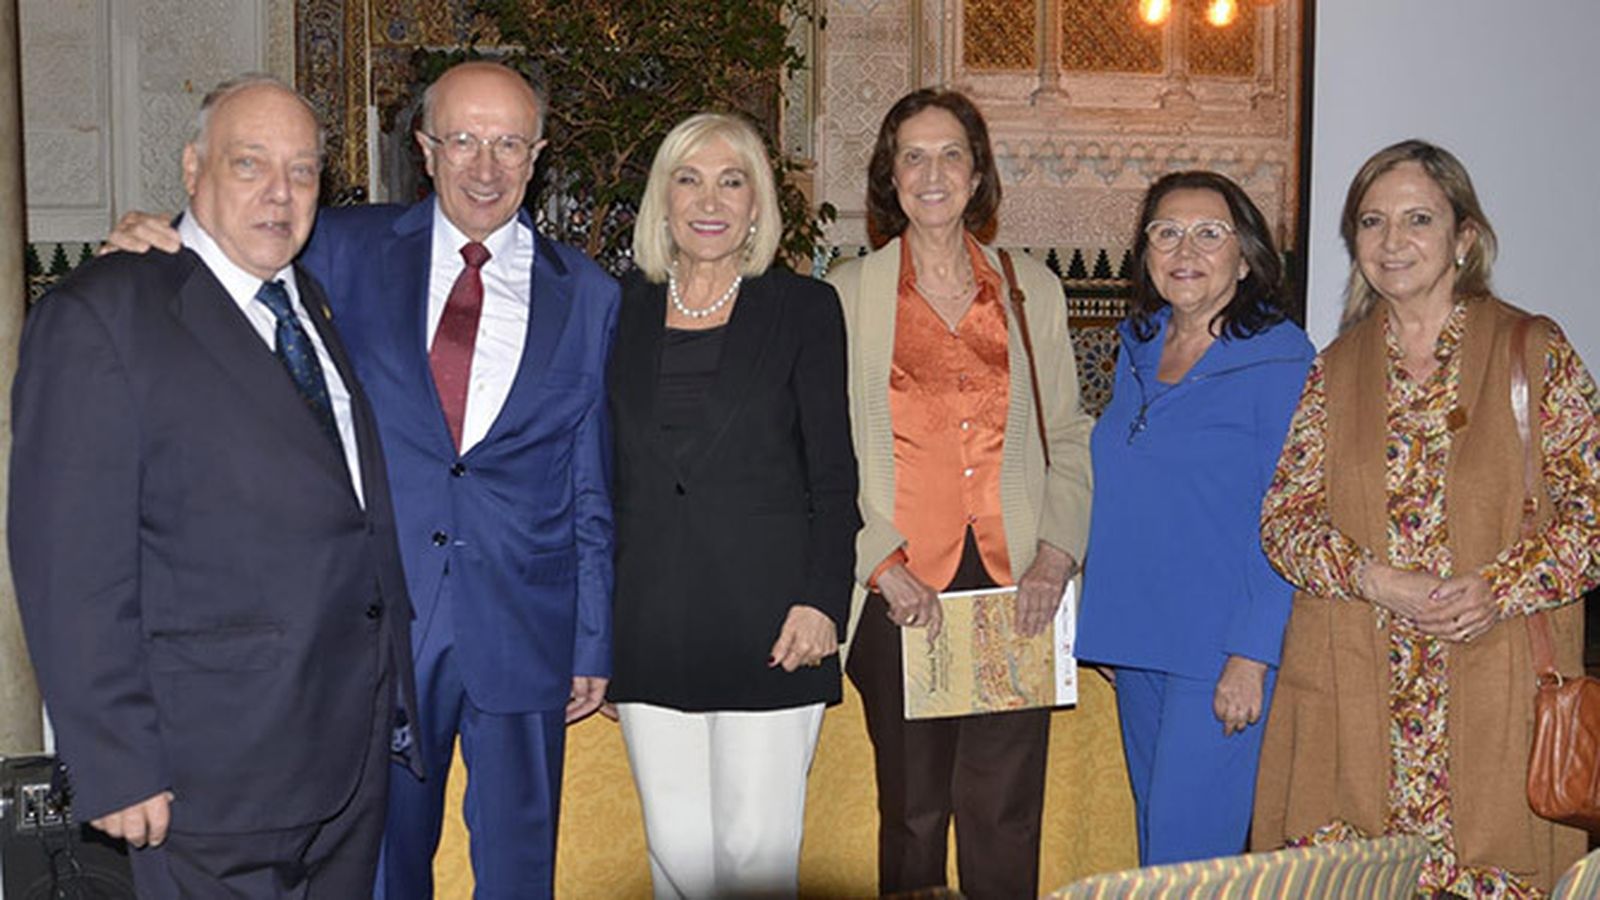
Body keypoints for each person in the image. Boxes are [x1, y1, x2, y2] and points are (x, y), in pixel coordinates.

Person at [105, 61, 619, 900]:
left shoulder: (590, 293)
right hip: (382, 625)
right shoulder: (342, 248)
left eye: (508, 144)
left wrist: (592, 636)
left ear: (537, 155)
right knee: (383, 868)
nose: (485, 167)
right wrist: (153, 239)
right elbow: (233, 254)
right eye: (462, 140)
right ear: (424, 149)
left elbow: (589, 480)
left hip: (527, 625)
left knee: (524, 870)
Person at [10, 75, 419, 898]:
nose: (281, 191)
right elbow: (67, 562)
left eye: (303, 171)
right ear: (192, 169)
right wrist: (113, 762)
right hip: (207, 777)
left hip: (345, 763)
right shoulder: (105, 314)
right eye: (249, 164)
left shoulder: (310, 303)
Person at [1254, 139, 1600, 896]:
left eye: (1418, 219)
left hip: (1497, 690)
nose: (1392, 241)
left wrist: (1497, 588)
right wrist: (1375, 580)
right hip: (1355, 703)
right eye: (1373, 223)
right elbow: (1284, 522)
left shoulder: (1532, 351)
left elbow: (1592, 514)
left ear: (1464, 238)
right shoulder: (1335, 367)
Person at [826, 88, 1093, 899]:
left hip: (1018, 585)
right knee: (912, 814)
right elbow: (824, 455)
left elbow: (1070, 433)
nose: (932, 173)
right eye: (913, 155)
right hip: (902, 586)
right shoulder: (846, 293)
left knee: (1007, 813)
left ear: (977, 175)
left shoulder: (1030, 289)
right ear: (890, 175)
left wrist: (1056, 555)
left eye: (951, 155)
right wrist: (878, 563)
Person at [604, 112, 860, 899]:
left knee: (756, 853)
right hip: (650, 620)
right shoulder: (619, 309)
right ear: (663, 198)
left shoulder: (805, 308)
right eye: (689, 178)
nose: (708, 199)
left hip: (774, 623)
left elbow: (834, 475)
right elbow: (600, 477)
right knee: (676, 851)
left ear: (757, 205)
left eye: (731, 179)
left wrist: (822, 601)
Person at [1075, 171, 1313, 866]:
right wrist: (1110, 623)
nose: (1186, 249)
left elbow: (1288, 512)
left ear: (1245, 258)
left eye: (1210, 233)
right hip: (1138, 636)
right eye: (1166, 232)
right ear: (1145, 253)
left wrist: (1252, 656)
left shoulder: (1281, 358)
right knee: (1156, 844)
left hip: (1217, 651)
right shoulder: (1140, 345)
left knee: (1191, 859)